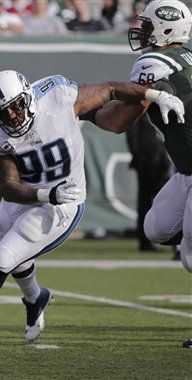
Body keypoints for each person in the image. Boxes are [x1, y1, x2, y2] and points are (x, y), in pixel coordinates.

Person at [0, 70, 184, 346]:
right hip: (28, 196)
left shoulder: (58, 97)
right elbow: (7, 186)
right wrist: (45, 194)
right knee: (16, 256)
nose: (13, 116)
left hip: (64, 204)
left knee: (4, 259)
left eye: (16, 106)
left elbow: (111, 88)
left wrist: (156, 95)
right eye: (3, 113)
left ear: (28, 97)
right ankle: (36, 298)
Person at [126, 0, 192, 347]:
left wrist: (86, 108)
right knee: (156, 227)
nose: (143, 32)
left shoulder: (154, 63)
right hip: (185, 171)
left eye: (149, 25)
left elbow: (121, 117)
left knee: (191, 256)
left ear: (168, 29)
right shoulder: (185, 59)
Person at [126, 117, 171, 252]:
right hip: (147, 163)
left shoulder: (152, 115)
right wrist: (139, 159)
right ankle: (145, 242)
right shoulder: (138, 114)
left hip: (160, 163)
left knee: (164, 201)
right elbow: (132, 137)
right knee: (146, 203)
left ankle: (170, 239)